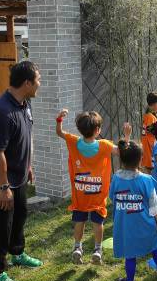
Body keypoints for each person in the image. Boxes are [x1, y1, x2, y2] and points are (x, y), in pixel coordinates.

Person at [0, 60, 43, 281]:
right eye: (38, 80)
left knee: (19, 216)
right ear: (26, 83)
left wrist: (28, 166)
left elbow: (24, 139)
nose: (39, 84)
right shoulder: (1, 113)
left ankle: (17, 253)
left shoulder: (24, 104)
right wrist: (3, 186)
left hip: (18, 175)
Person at [55, 110, 132, 265]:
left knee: (79, 221)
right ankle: (97, 250)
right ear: (98, 131)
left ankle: (77, 247)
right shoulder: (104, 145)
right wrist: (127, 135)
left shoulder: (73, 141)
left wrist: (59, 119)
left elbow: (59, 132)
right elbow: (122, 152)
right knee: (98, 223)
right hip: (97, 195)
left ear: (80, 129)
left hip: (80, 194)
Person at [110, 140, 157, 281]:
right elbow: (154, 204)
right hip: (146, 225)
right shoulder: (146, 180)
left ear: (121, 160)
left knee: (130, 254)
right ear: (141, 159)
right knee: (155, 246)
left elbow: (112, 198)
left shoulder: (115, 178)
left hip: (125, 226)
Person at [141, 92, 157, 174]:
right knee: (150, 168)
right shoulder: (151, 117)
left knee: (149, 167)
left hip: (147, 145)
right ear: (156, 104)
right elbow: (150, 130)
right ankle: (149, 185)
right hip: (150, 146)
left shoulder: (148, 115)